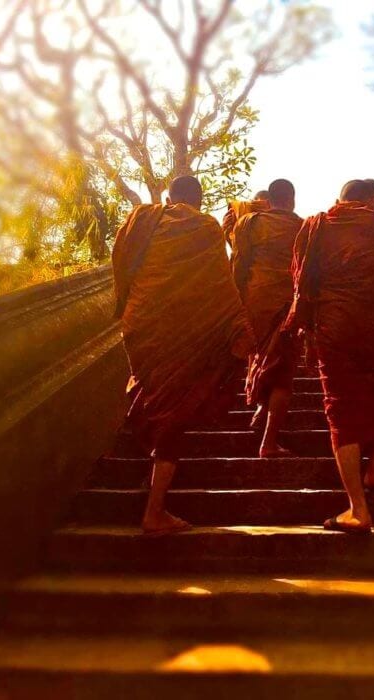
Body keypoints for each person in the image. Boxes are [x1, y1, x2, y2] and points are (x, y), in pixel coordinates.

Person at [112, 176, 255, 535]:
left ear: (171, 196)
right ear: (199, 199)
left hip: (143, 323)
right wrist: (238, 325)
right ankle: (155, 511)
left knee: (151, 395)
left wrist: (127, 304)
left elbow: (121, 265)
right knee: (173, 413)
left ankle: (151, 476)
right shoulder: (205, 227)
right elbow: (220, 284)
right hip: (184, 330)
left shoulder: (142, 219)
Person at [284, 179, 374, 532]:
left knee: (340, 409)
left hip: (337, 328)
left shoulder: (320, 225)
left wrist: (306, 328)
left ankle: (358, 508)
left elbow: (303, 278)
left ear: (340, 200)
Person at [231, 179, 302, 457]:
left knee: (262, 358)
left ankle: (261, 409)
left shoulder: (249, 223)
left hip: (255, 302)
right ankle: (269, 443)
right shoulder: (304, 228)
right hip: (288, 306)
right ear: (292, 199)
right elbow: (310, 272)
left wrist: (237, 302)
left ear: (269, 200)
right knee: (282, 373)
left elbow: (239, 265)